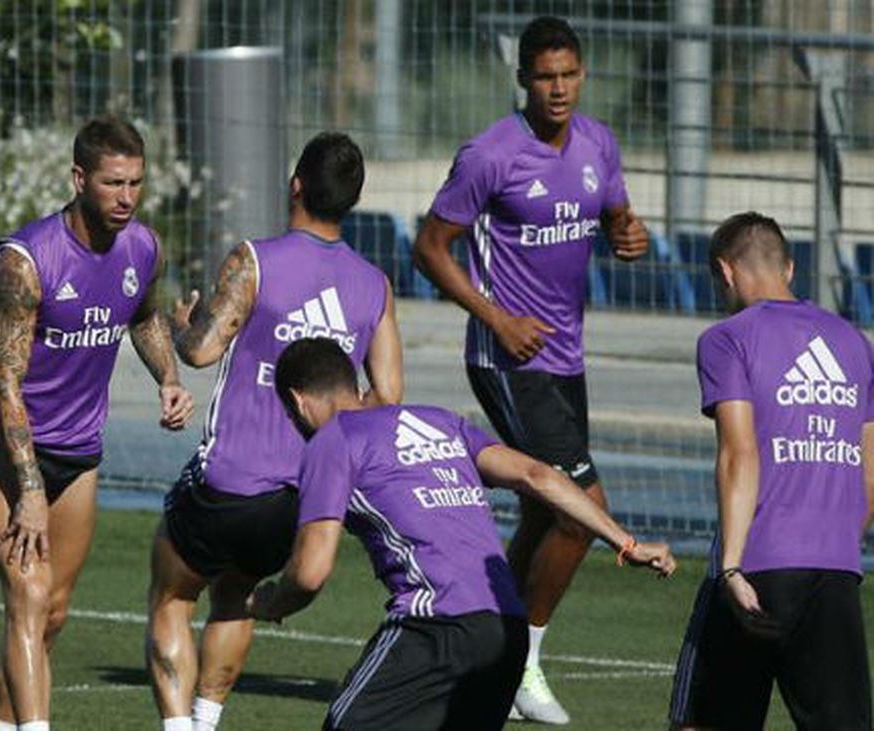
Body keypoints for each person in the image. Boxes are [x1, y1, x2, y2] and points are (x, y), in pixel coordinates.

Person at [411, 15, 650, 723]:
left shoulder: (598, 142)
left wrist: (625, 232)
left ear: (582, 74)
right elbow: (430, 248)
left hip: (566, 357)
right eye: (545, 76)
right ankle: (520, 664)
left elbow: (615, 215)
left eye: (569, 75)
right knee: (582, 513)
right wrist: (498, 319)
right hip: (508, 356)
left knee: (542, 513)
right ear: (522, 78)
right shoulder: (490, 153)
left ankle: (487, 649)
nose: (558, 89)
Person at [248, 337, 675, 730]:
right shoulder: (440, 421)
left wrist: (268, 602)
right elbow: (537, 474)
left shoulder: (333, 441)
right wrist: (626, 542)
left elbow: (309, 573)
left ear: (298, 403)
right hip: (508, 632)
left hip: (436, 626)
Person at [145, 131, 404, 731]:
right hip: (305, 494)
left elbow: (204, 352)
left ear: (295, 186)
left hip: (230, 479)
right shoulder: (374, 285)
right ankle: (207, 720)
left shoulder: (255, 259)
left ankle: (181, 729)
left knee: (172, 595)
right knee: (236, 593)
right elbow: (387, 398)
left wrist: (186, 324)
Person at [0, 116, 193, 731]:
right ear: (78, 178)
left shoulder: (143, 247)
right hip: (2, 451)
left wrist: (168, 376)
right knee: (29, 599)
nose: (126, 198)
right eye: (113, 183)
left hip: (80, 451)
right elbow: (3, 379)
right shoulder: (26, 259)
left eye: (136, 183)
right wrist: (29, 488)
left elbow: (143, 316)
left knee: (53, 613)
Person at [668, 212, 874, 731]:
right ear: (789, 267)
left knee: (705, 721)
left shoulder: (727, 339)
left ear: (725, 271)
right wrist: (841, 546)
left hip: (759, 561)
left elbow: (740, 455)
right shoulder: (853, 342)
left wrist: (732, 567)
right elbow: (870, 467)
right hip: (836, 565)